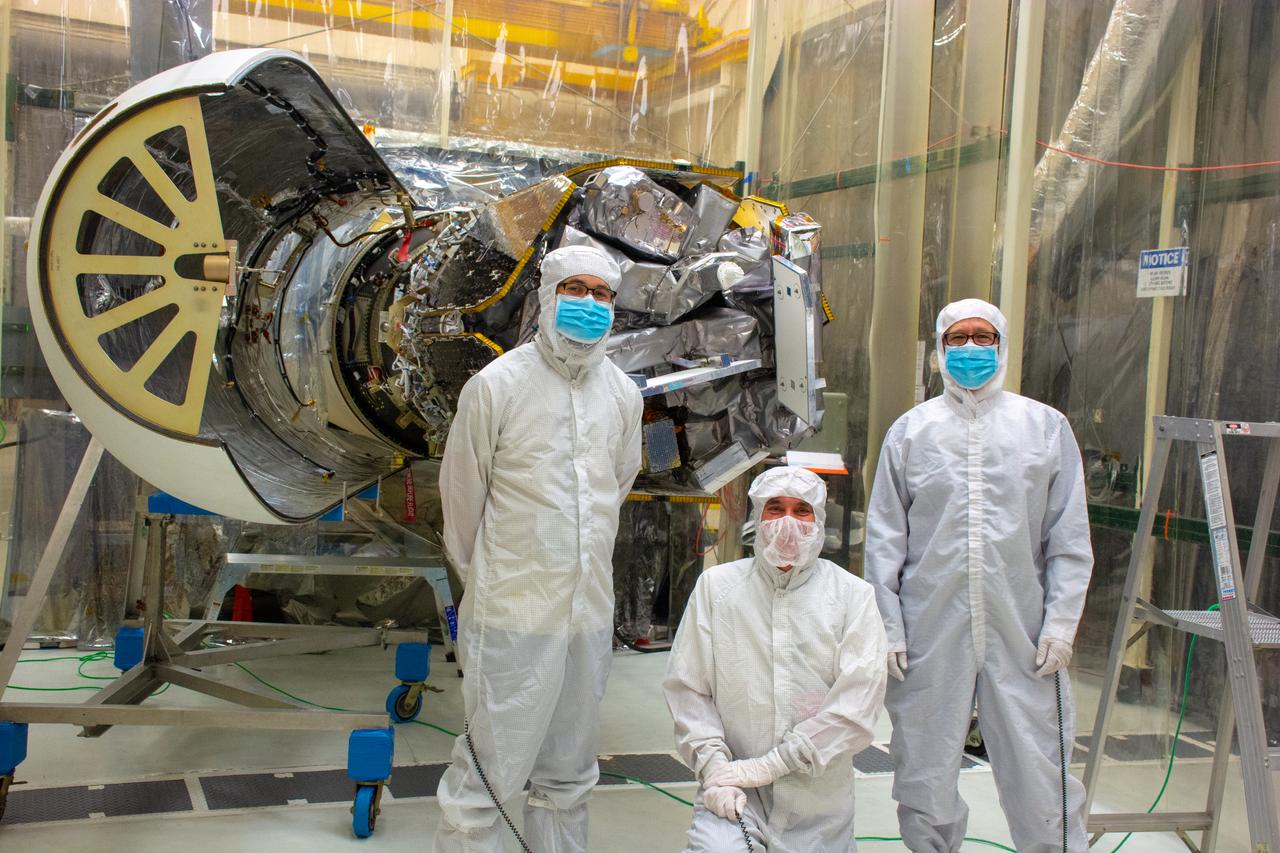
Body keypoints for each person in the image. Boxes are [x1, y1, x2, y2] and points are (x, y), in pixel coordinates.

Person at [431, 245, 644, 853]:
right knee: (490, 774)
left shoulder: (622, 396)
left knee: (571, 774)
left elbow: (615, 487)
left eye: (602, 294)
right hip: (512, 617)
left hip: (586, 617)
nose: (589, 305)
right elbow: (462, 502)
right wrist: (496, 588)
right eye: (575, 290)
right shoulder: (497, 386)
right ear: (547, 298)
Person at [864, 298, 1094, 852]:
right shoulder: (911, 433)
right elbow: (884, 544)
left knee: (1042, 771)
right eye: (958, 338)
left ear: (1003, 344)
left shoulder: (1043, 428)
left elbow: (1069, 540)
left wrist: (1061, 625)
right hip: (929, 633)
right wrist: (889, 629)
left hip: (1023, 633)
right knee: (924, 768)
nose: (971, 349)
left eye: (983, 337)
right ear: (940, 350)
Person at [664, 466, 888, 852]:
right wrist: (714, 767)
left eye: (801, 510)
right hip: (735, 793)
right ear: (757, 517)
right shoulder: (718, 589)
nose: (787, 522)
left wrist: (771, 766)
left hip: (817, 804)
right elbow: (689, 690)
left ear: (818, 520)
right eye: (775, 509)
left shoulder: (853, 596)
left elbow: (855, 708)